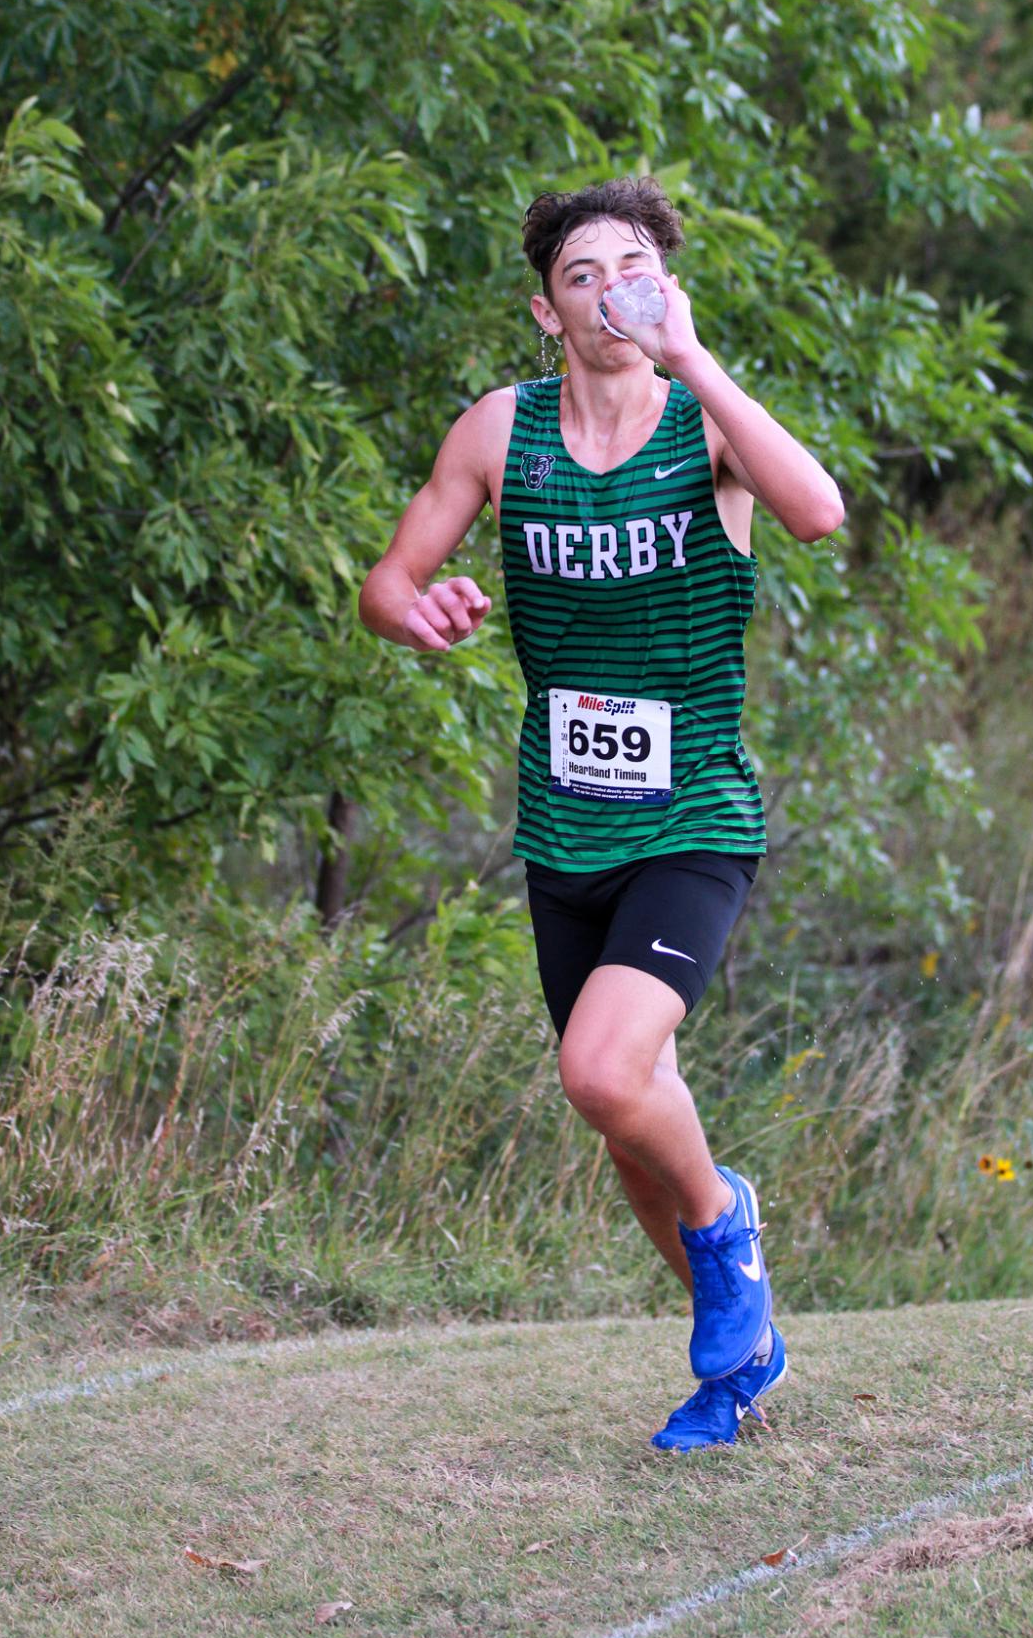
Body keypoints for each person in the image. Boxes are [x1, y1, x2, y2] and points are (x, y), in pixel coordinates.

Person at [358, 176, 844, 1450]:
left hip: (691, 821)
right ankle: (741, 1363)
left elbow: (817, 510)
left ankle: (729, 1229)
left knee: (600, 1069)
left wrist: (695, 353)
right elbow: (390, 581)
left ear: (663, 289)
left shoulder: (708, 425)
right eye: (583, 273)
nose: (608, 290)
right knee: (623, 1125)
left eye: (633, 267)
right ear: (547, 309)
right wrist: (422, 610)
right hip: (563, 829)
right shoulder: (497, 433)